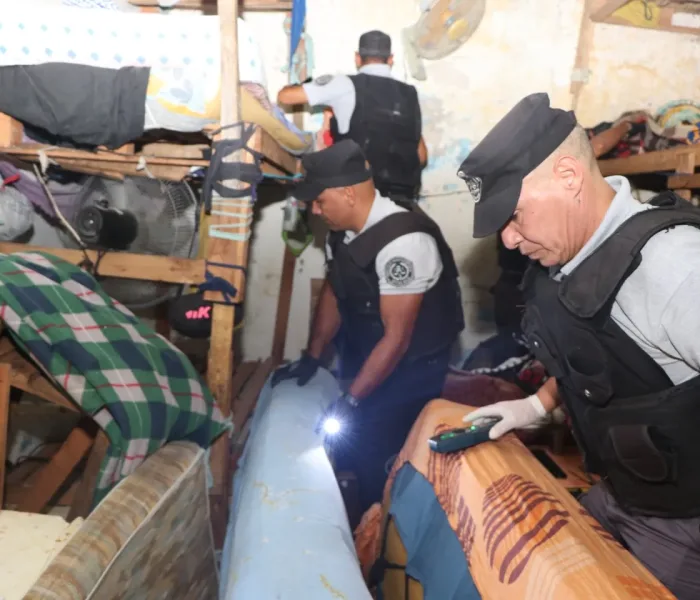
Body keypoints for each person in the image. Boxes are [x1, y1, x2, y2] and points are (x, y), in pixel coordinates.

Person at [457, 92, 700, 599]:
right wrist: (535, 405)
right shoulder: (573, 257)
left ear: (569, 177)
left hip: (683, 522)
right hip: (623, 489)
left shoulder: (676, 268)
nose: (508, 240)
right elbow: (600, 358)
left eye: (514, 215)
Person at [271, 139, 464, 516]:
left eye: (319, 200)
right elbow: (336, 289)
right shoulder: (342, 232)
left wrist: (354, 400)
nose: (314, 210)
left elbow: (397, 339)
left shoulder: (404, 242)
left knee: (389, 461)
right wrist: (313, 355)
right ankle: (359, 520)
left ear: (348, 193)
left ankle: (385, 533)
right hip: (371, 353)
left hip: (412, 368)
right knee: (354, 449)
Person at [276, 30, 429, 208]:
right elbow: (421, 157)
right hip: (403, 203)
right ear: (390, 59)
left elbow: (285, 97)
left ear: (357, 58)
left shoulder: (344, 84)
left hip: (357, 202)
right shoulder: (410, 95)